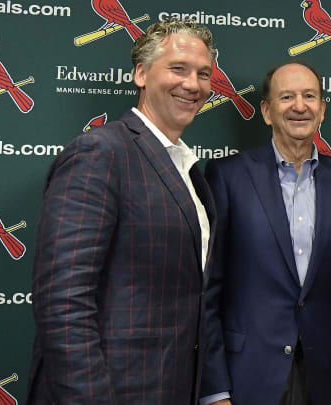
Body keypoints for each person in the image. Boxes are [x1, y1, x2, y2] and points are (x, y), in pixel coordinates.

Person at [28, 19, 217, 404]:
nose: (193, 84)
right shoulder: (101, 152)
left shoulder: (188, 170)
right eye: (178, 68)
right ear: (142, 73)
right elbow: (63, 302)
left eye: (203, 74)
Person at [200, 61, 331, 405]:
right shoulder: (226, 177)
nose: (299, 106)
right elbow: (209, 291)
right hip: (245, 379)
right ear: (266, 111)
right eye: (287, 97)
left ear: (322, 110)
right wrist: (215, 390)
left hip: (329, 382)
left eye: (309, 96)